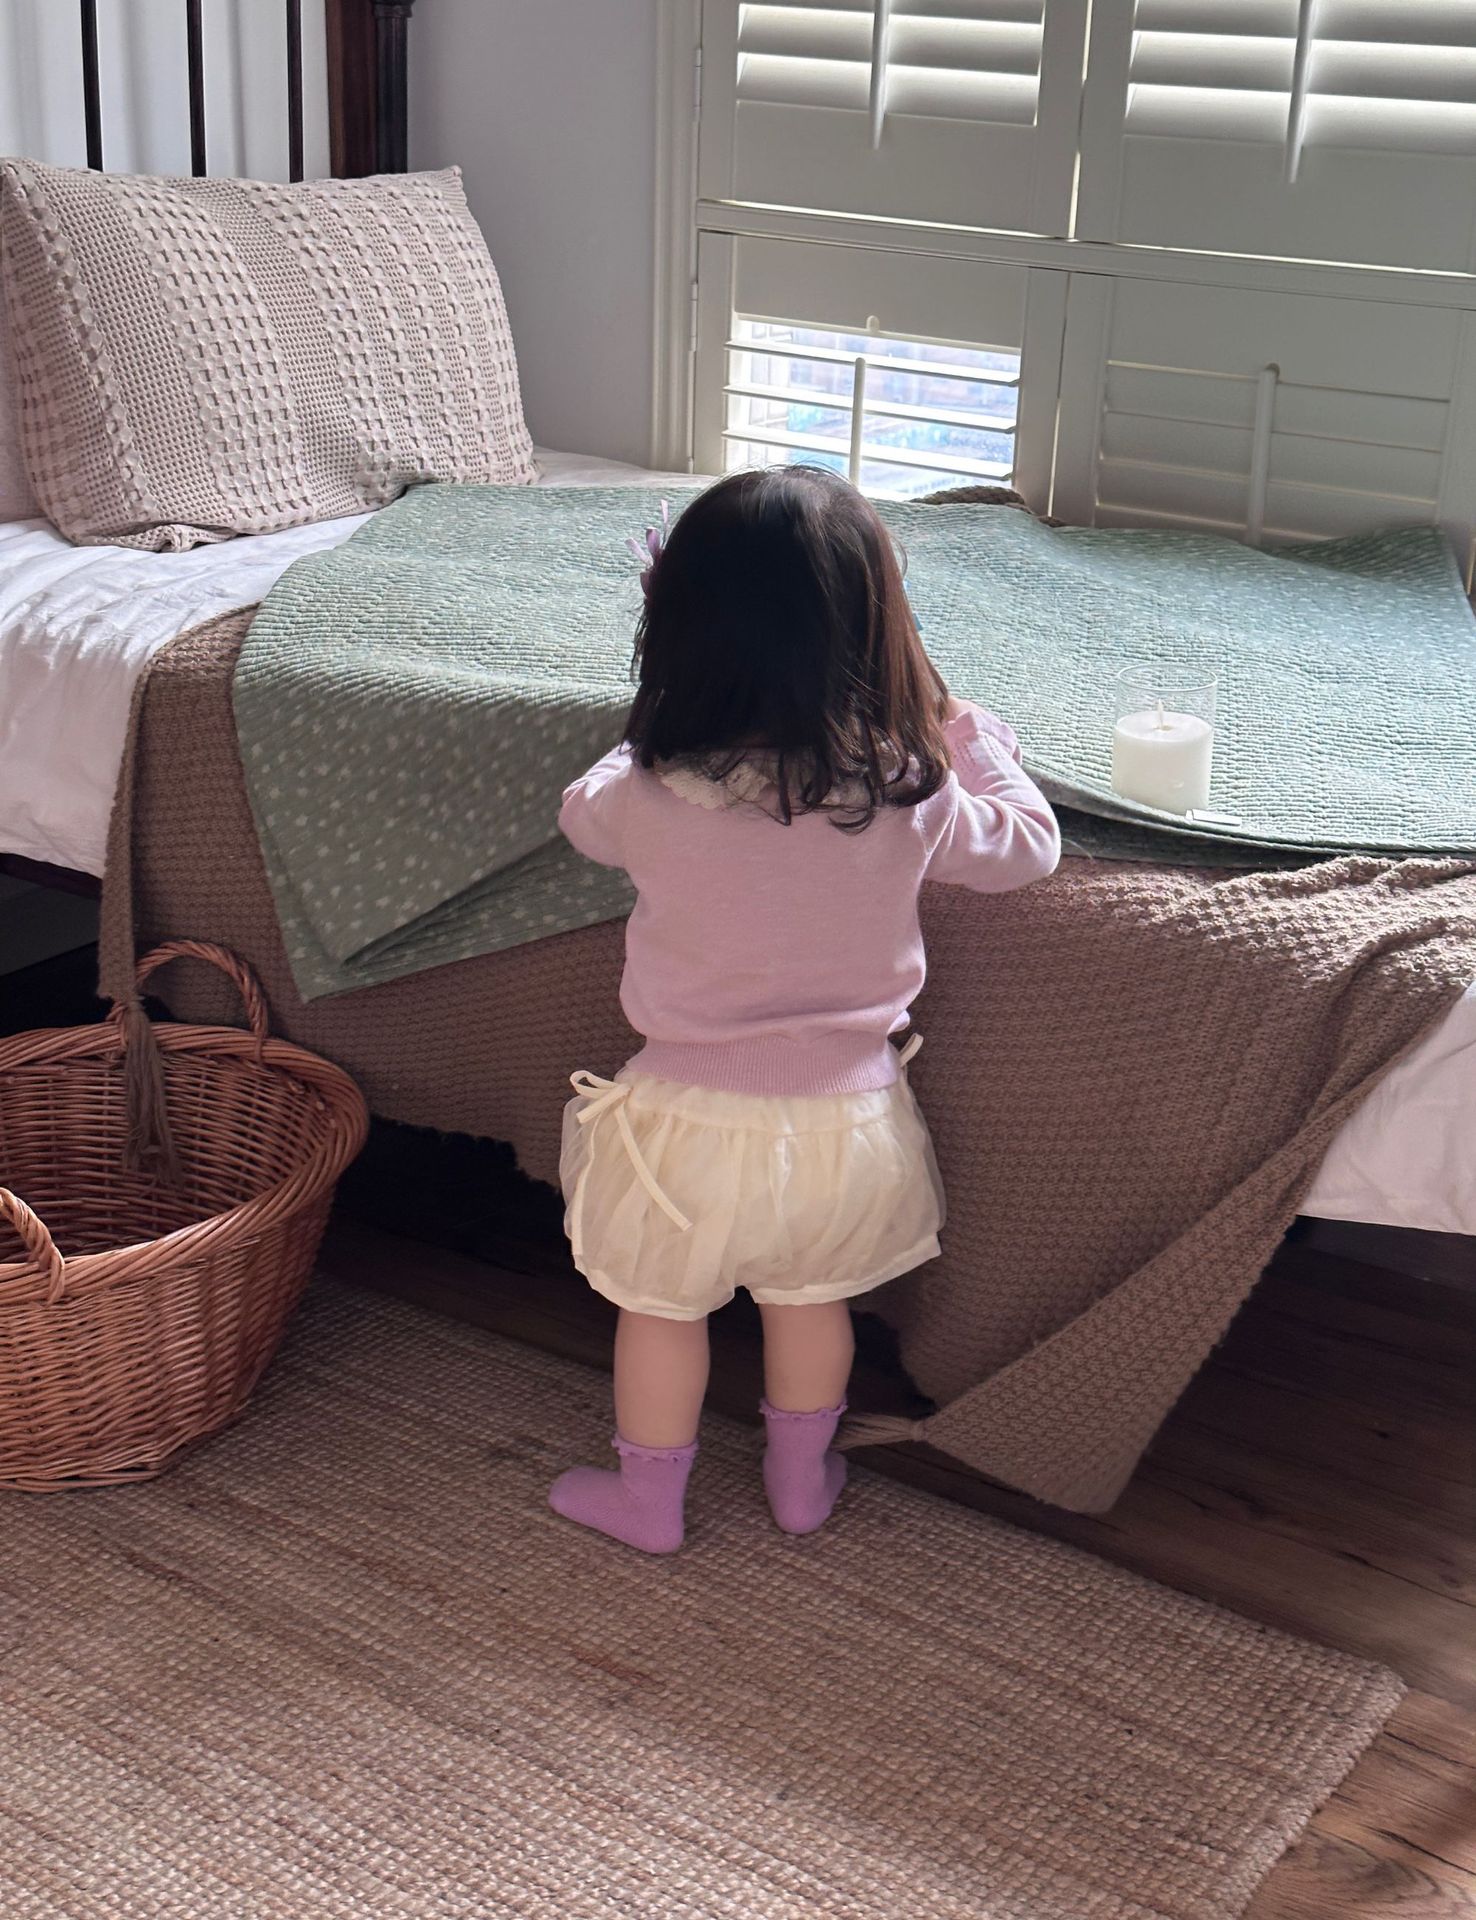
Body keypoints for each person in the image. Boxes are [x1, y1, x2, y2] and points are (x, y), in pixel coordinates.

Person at [549, 465, 1060, 1553]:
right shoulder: (910, 791)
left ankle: (649, 1502)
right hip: (846, 1125)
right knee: (810, 1304)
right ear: (875, 630)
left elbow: (579, 812)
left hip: (678, 1130)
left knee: (660, 1313)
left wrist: (648, 734)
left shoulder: (645, 794)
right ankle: (797, 1481)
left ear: (679, 631)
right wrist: (977, 741)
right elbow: (1030, 850)